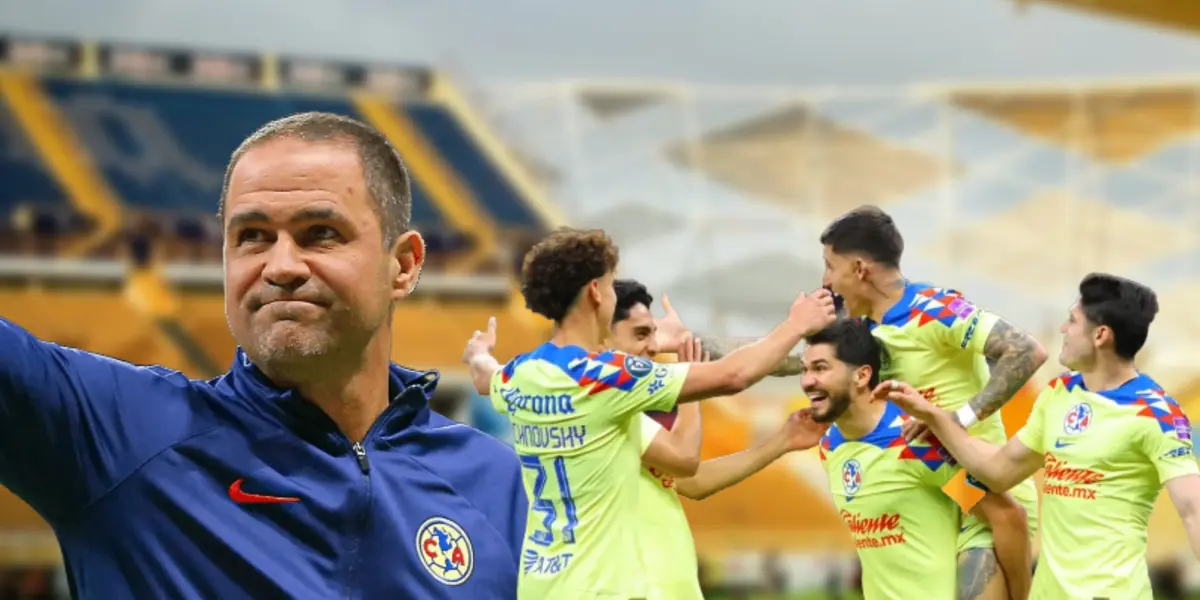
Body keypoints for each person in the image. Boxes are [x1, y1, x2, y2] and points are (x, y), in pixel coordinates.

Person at [0, 112, 527, 598]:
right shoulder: (117, 435)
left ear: (405, 265)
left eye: (320, 233)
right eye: (252, 237)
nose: (281, 266)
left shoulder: (502, 485)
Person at [657, 206, 1042, 599]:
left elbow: (1027, 351)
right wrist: (685, 342)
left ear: (859, 269)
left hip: (981, 494)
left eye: (830, 266)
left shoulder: (934, 309)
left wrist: (957, 420)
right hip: (931, 498)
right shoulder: (860, 336)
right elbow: (774, 357)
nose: (825, 280)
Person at [462, 227, 837, 599]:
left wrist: (479, 352)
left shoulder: (519, 375)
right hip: (598, 588)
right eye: (609, 285)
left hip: (541, 585)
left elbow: (485, 376)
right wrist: (797, 324)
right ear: (596, 291)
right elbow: (733, 375)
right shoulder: (606, 377)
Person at [880, 273, 1200, 600]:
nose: (1063, 329)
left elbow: (1193, 508)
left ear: (1101, 335)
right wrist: (936, 418)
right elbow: (999, 471)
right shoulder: (1058, 393)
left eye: (1072, 321)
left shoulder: (1157, 413)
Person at [801, 318, 988, 600]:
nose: (807, 381)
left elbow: (1001, 515)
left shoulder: (917, 442)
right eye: (804, 370)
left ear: (862, 376)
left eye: (820, 368)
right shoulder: (830, 447)